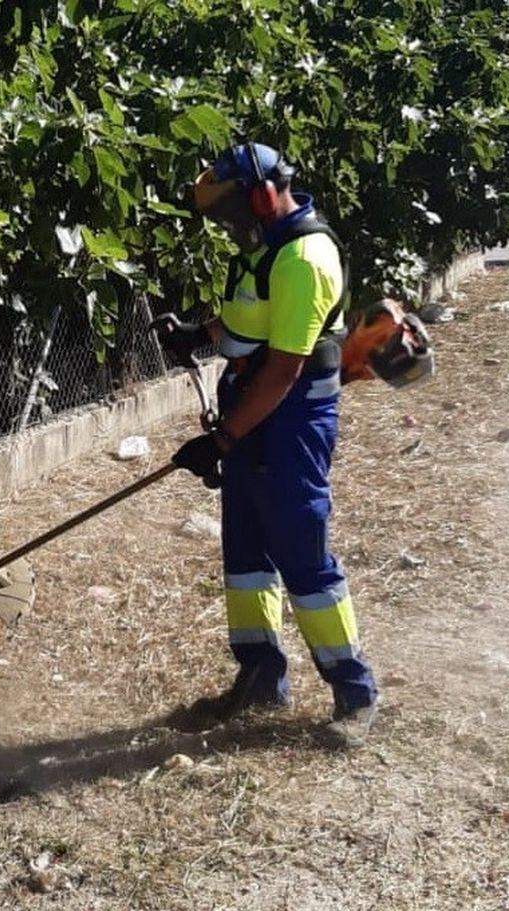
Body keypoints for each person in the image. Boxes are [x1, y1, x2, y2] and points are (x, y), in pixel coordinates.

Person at [153, 142, 378, 747]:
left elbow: (282, 370)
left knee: (301, 552)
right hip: (253, 412)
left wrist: (222, 440)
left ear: (261, 195)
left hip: (291, 418)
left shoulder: (304, 258)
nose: (228, 226)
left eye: (231, 212)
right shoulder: (265, 249)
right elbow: (250, 321)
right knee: (247, 552)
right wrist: (199, 334)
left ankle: (354, 692)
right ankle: (259, 677)